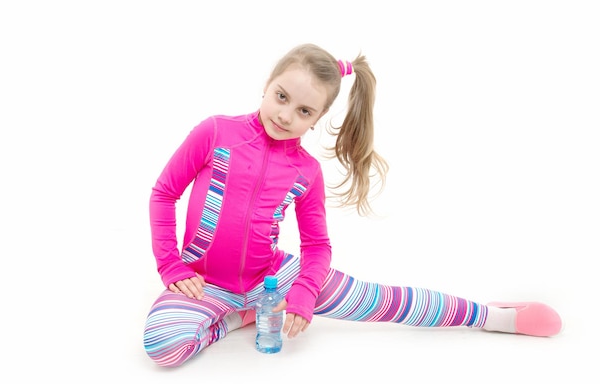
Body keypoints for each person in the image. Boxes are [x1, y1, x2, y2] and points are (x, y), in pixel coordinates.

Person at [143, 43, 562, 367]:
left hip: (272, 279)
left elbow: (318, 247)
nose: (287, 115)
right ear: (267, 85)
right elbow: (164, 193)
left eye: (304, 110)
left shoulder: (306, 171)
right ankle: (239, 315)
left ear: (318, 116)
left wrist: (304, 292)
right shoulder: (215, 132)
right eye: (281, 96)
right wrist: (171, 266)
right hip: (202, 282)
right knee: (164, 347)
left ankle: (490, 316)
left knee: (378, 300)